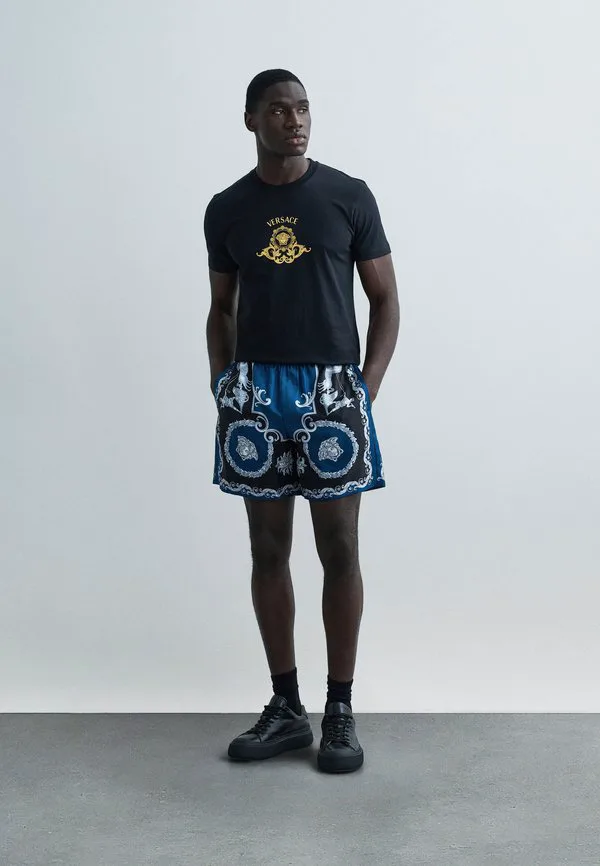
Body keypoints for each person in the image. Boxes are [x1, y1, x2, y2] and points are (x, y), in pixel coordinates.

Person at [204, 69, 400, 774]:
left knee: (339, 547)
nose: (295, 120)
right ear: (251, 120)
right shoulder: (227, 208)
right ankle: (286, 707)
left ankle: (338, 708)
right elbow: (220, 308)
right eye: (280, 110)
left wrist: (363, 391)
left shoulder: (348, 196)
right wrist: (225, 387)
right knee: (267, 550)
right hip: (256, 390)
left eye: (303, 108)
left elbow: (386, 300)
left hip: (331, 390)